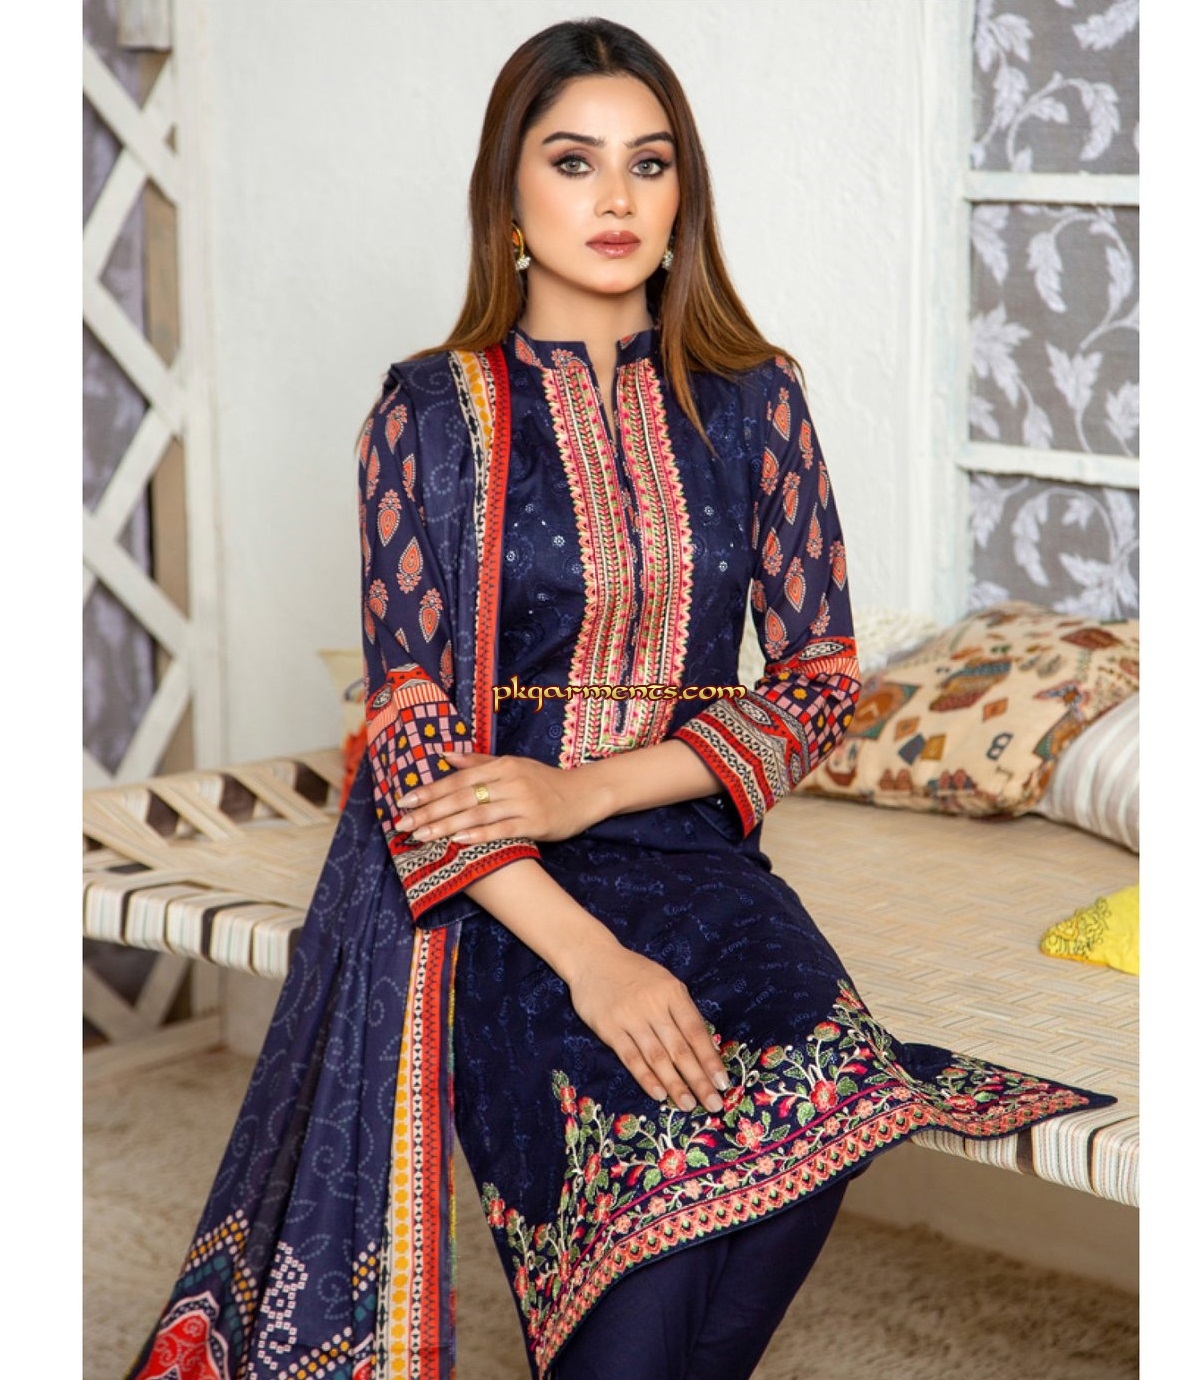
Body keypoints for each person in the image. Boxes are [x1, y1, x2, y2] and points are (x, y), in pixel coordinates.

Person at [125, 18, 1115, 1380]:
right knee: (642, 1270)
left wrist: (586, 787)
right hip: (496, 888)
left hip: (691, 849)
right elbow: (410, 729)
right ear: (508, 196)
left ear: (681, 194)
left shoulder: (753, 400)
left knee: (835, 1102)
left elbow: (817, 680)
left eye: (648, 164)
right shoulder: (429, 413)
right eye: (573, 161)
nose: (615, 198)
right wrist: (590, 958)